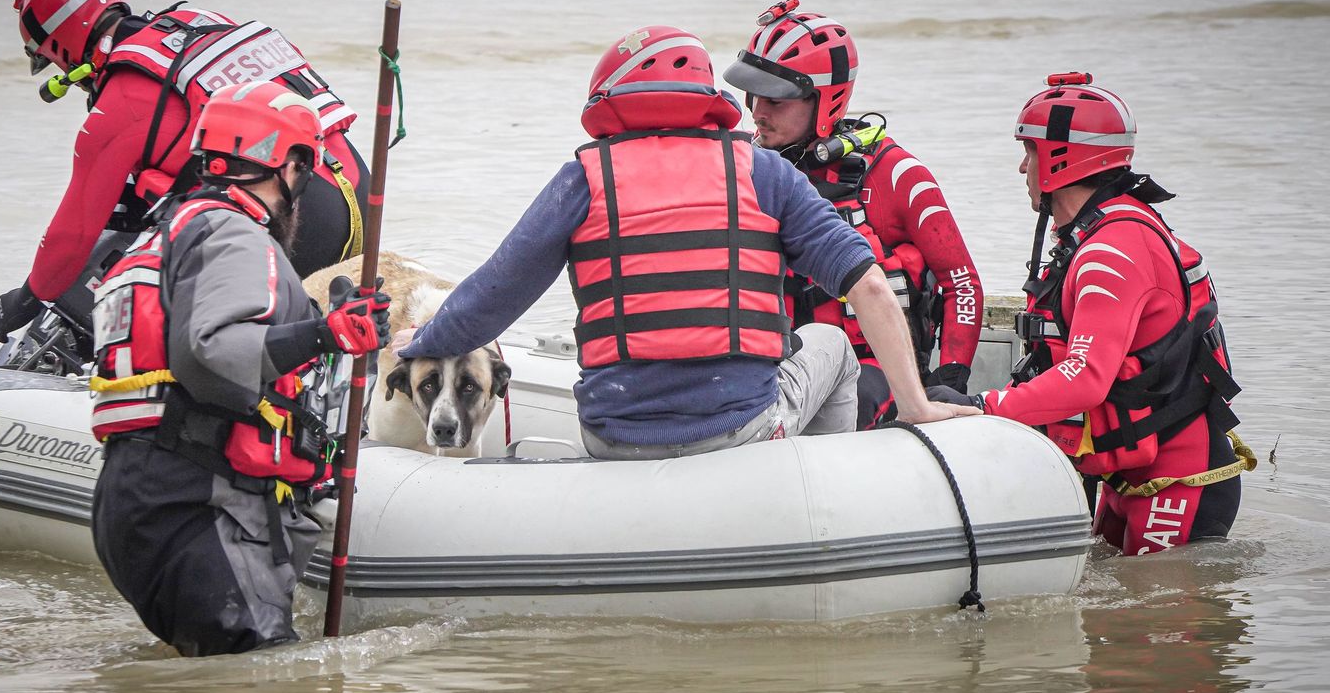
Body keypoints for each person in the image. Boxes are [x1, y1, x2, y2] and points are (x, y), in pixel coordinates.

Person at [396, 26, 976, 460]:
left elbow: (492, 295)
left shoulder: (582, 178)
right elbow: (869, 286)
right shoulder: (762, 171)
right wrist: (917, 406)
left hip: (611, 436)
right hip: (739, 431)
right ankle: (819, 487)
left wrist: (419, 343)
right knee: (831, 343)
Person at [87, 82, 390, 655]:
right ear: (291, 165)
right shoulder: (235, 234)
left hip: (139, 498)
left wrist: (325, 329)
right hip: (199, 505)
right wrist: (325, 334)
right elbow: (215, 354)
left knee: (211, 690)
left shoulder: (166, 235)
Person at [929, 73, 1251, 555]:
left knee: (1152, 603)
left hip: (1179, 479)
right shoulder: (1092, 235)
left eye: (1030, 152)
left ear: (1061, 160)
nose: (1023, 167)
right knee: (1107, 599)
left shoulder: (1113, 249)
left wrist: (981, 406)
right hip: (1131, 475)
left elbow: (1085, 378)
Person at [0, 0, 369, 342]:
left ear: (61, 48)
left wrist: (27, 298)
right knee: (163, 188)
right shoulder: (199, 22)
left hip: (299, 221)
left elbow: (72, 235)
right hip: (358, 190)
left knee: (151, 278)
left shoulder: (119, 101)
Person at [722, 0, 985, 428]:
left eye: (776, 99)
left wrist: (949, 377)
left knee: (859, 400)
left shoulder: (897, 174)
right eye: (753, 94)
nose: (757, 111)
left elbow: (962, 284)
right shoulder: (743, 168)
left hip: (872, 372)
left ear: (824, 100)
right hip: (779, 365)